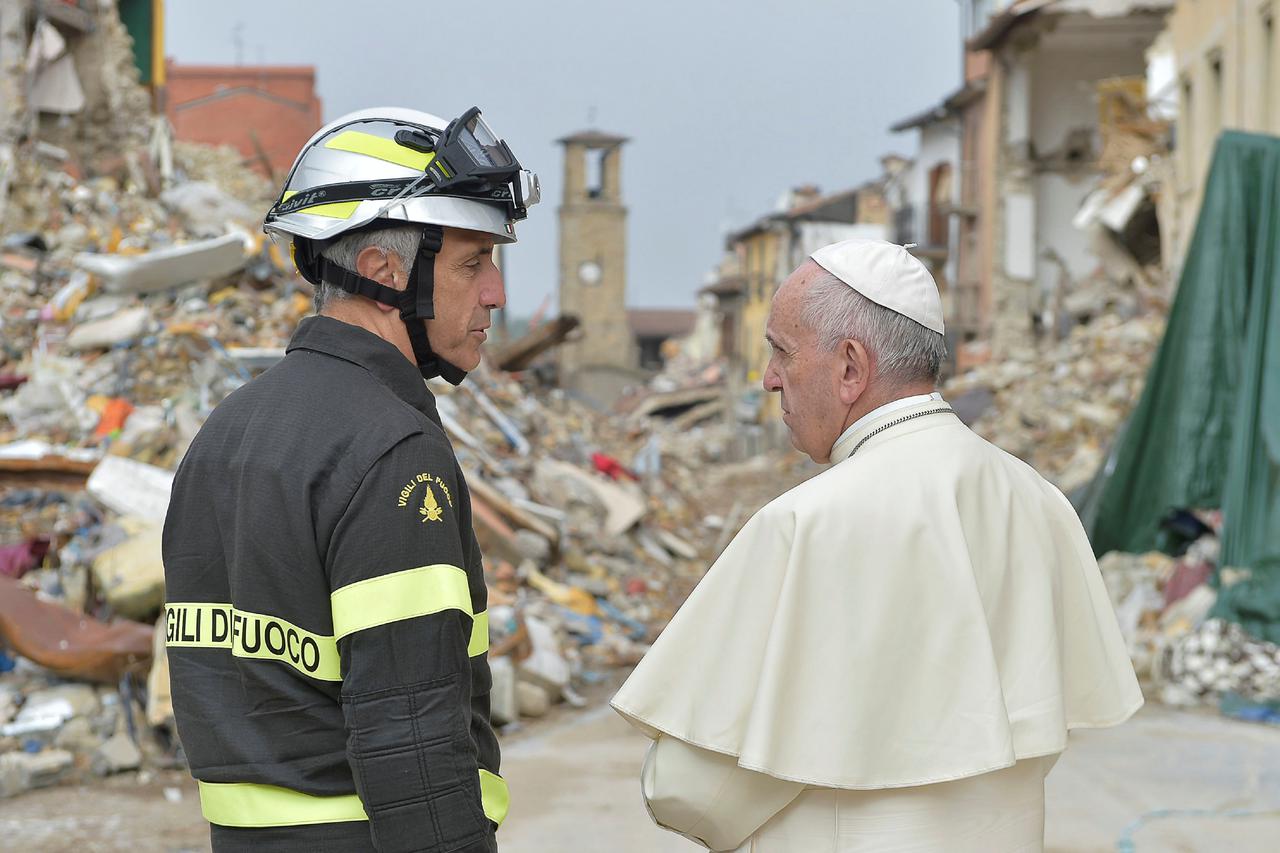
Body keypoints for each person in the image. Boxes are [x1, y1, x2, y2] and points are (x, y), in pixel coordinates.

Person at [612, 238, 1143, 852]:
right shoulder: (1038, 500)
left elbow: (694, 792)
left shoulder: (807, 524)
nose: (768, 380)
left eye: (781, 353)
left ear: (850, 368)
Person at [162, 106, 540, 852]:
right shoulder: (392, 450)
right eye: (473, 262)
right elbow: (415, 745)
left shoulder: (224, 432)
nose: (495, 292)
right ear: (383, 272)